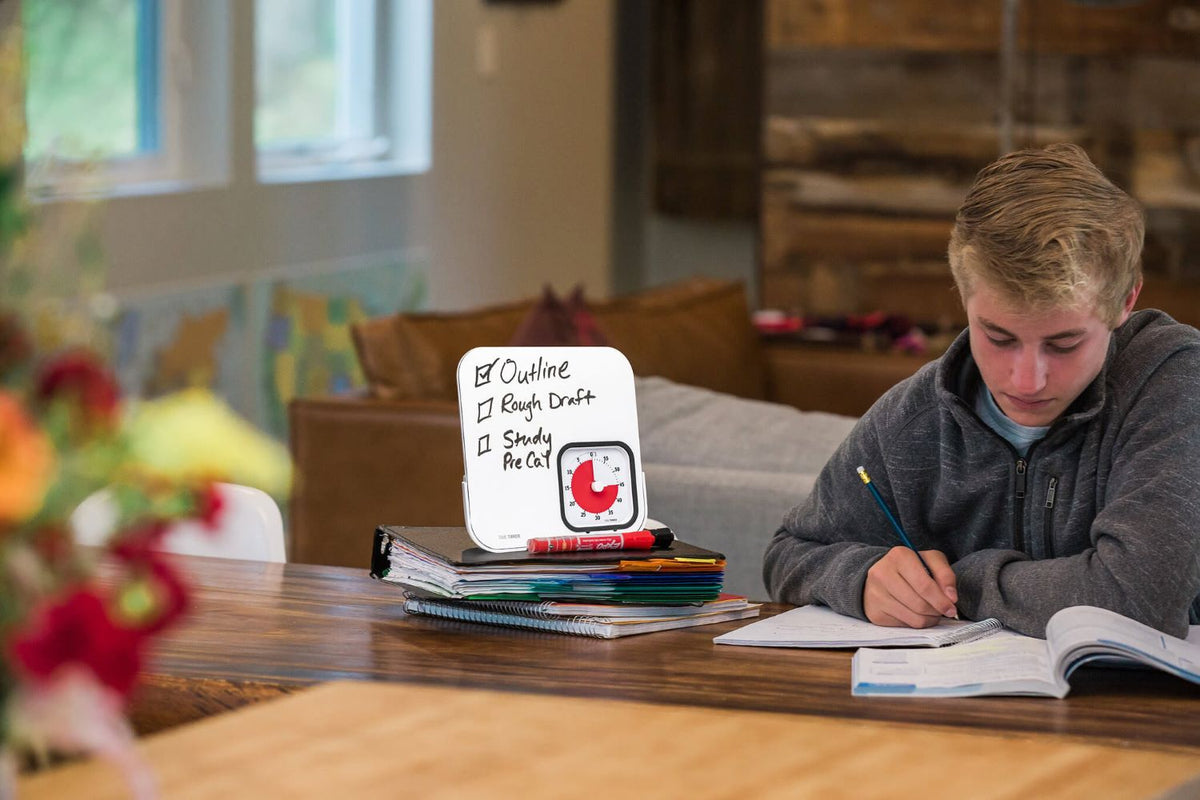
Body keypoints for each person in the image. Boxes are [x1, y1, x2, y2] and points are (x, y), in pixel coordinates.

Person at [762, 143, 1200, 638]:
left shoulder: (1176, 380)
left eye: (1064, 343)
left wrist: (960, 583)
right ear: (962, 294)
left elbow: (1140, 598)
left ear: (1126, 301)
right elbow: (789, 554)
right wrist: (862, 578)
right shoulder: (913, 419)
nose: (1026, 381)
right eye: (998, 337)